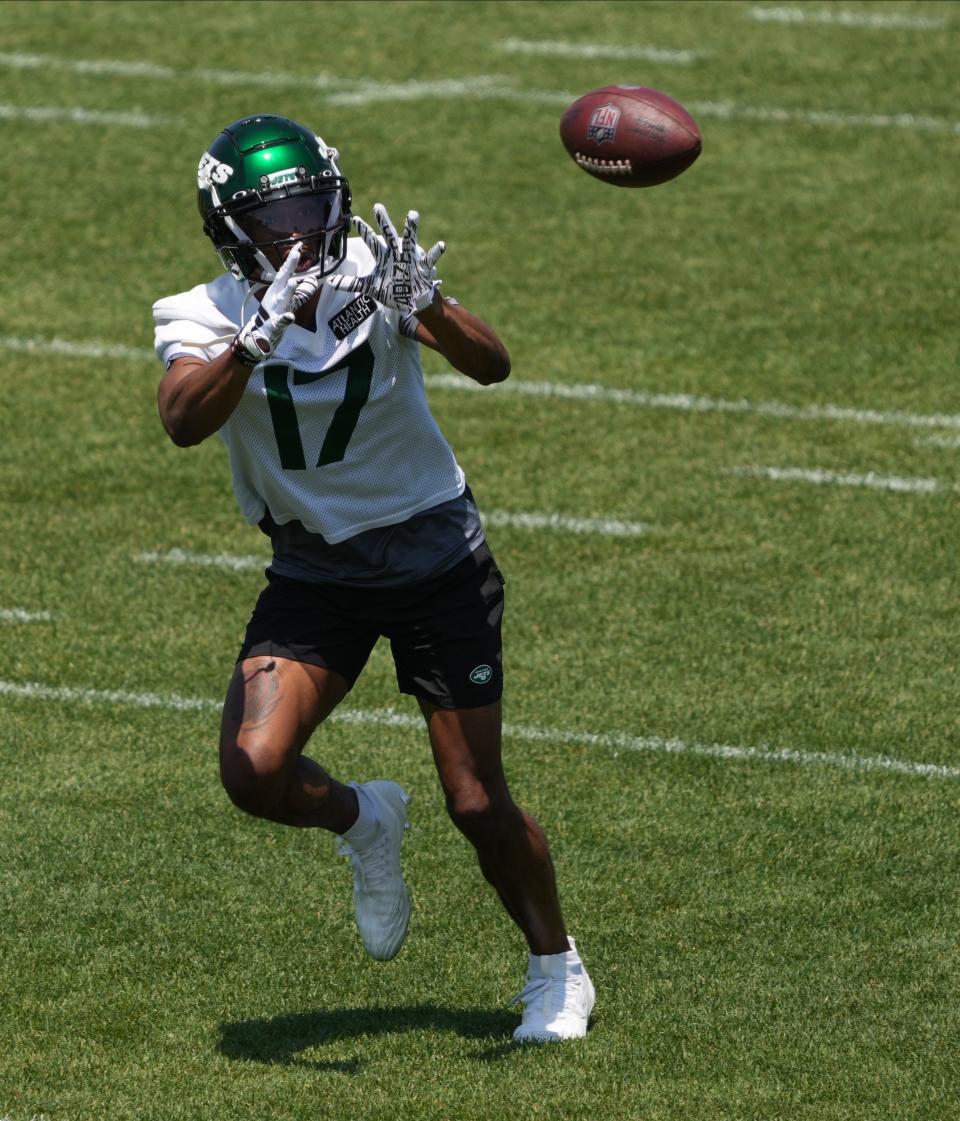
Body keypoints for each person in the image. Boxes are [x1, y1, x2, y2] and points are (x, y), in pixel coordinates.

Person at [152, 114, 594, 1043]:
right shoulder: (203, 313)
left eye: (312, 203)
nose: (300, 229)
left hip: (436, 555)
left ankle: (557, 967)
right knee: (253, 771)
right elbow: (184, 419)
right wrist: (255, 339)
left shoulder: (372, 269)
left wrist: (426, 305)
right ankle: (364, 821)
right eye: (276, 216)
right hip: (317, 569)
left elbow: (493, 365)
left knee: (476, 798)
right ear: (230, 230)